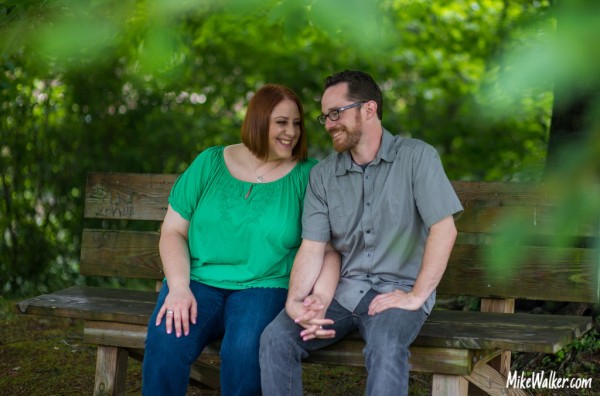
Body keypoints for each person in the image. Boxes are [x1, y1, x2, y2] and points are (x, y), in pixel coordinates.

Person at [259, 70, 463, 396]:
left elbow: (444, 229)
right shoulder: (323, 176)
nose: (328, 124)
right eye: (325, 116)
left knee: (385, 345)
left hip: (396, 294)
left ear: (369, 109)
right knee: (276, 337)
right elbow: (313, 247)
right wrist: (297, 302)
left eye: (336, 113)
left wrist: (416, 296)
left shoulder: (417, 158)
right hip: (341, 294)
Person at [142, 83, 340, 396]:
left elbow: (325, 248)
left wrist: (317, 297)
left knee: (244, 353)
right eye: (281, 122)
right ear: (258, 120)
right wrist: (178, 288)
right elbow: (173, 231)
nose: (292, 132)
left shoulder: (308, 175)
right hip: (196, 282)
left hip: (264, 286)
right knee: (166, 342)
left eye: (297, 123)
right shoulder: (209, 163)